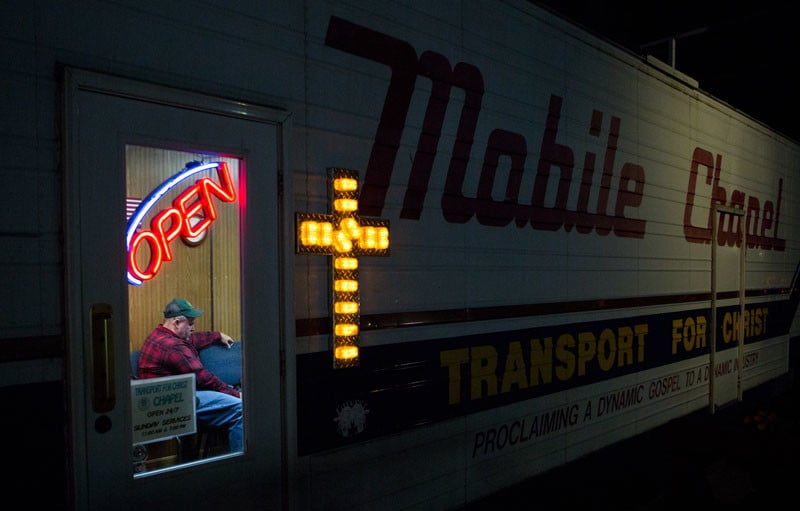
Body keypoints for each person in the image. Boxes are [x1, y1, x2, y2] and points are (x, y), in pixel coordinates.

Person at [137, 297, 242, 453]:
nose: (193, 328)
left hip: (164, 400)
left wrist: (217, 335)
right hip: (173, 405)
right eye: (191, 323)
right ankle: (240, 462)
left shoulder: (160, 335)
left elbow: (193, 339)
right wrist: (236, 394)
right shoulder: (172, 346)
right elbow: (203, 378)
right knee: (241, 409)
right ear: (177, 322)